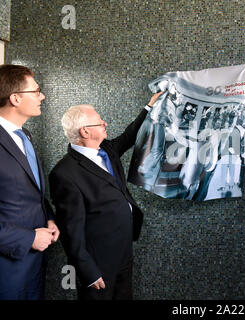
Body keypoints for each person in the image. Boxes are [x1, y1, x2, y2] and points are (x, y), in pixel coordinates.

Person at [49, 92, 161, 300]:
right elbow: (70, 230)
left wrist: (149, 106)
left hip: (123, 251)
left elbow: (129, 136)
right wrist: (88, 272)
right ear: (85, 131)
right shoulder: (64, 173)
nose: (105, 124)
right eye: (100, 123)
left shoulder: (107, 149)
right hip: (97, 262)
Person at [0, 64, 59, 300]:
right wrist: (29, 238)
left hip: (33, 265)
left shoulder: (24, 136)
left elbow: (31, 191)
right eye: (36, 91)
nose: (42, 96)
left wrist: (49, 216)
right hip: (7, 268)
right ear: (15, 98)